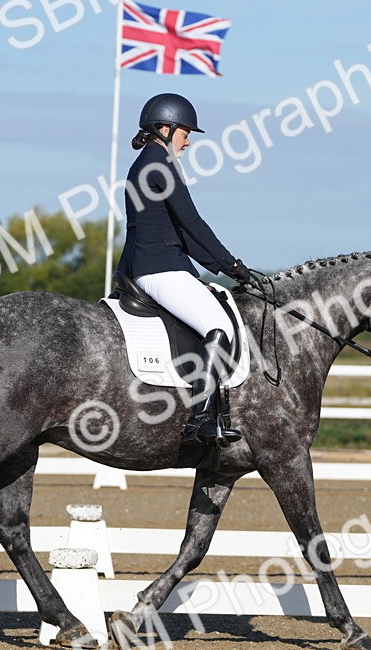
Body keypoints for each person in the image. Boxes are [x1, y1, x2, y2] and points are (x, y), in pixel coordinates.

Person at [116, 93, 252, 447]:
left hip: (153, 263)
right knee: (219, 326)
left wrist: (217, 270)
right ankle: (201, 420)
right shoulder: (159, 165)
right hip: (158, 268)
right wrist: (232, 265)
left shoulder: (148, 163)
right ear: (165, 128)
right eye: (184, 133)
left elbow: (177, 233)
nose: (188, 141)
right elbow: (192, 224)